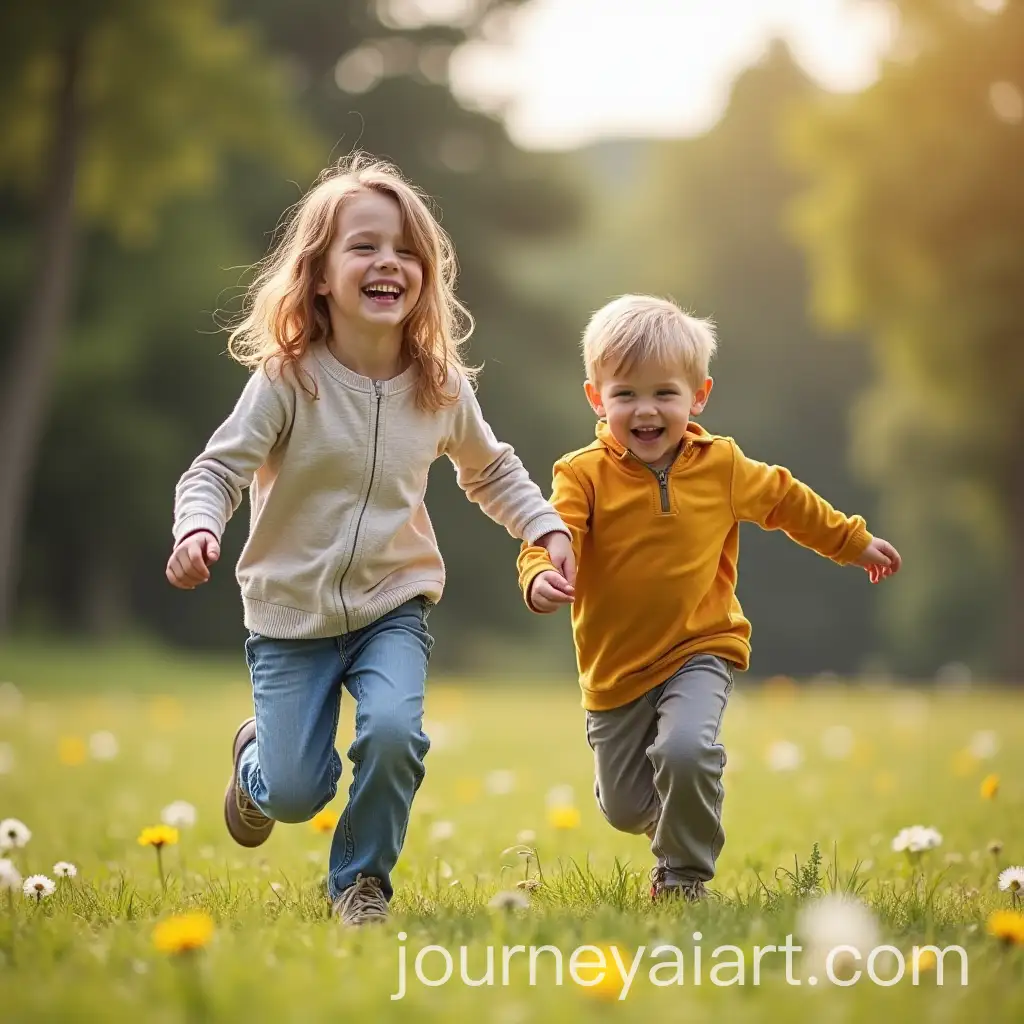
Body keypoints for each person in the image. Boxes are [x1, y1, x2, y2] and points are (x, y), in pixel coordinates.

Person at [166, 154, 573, 926]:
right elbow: (216, 471)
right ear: (318, 274)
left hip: (394, 604)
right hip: (289, 617)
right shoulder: (290, 380)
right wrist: (197, 527)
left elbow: (492, 472)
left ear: (424, 274)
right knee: (295, 790)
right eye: (364, 246)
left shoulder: (439, 385)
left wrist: (545, 526)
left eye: (406, 249)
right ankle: (256, 763)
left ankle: (362, 885)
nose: (389, 261)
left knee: (393, 734)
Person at [517, 294, 900, 903]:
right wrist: (539, 573)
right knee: (623, 808)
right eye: (625, 395)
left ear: (698, 396)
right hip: (614, 668)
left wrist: (851, 542)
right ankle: (684, 816)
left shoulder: (721, 465)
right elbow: (552, 531)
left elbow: (785, 500)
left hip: (702, 645)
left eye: (664, 393)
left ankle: (683, 879)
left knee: (685, 749)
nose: (646, 410)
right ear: (596, 398)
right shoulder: (581, 474)